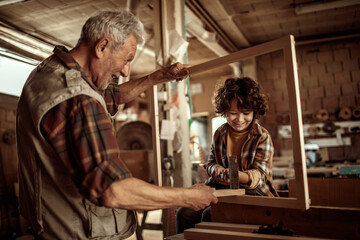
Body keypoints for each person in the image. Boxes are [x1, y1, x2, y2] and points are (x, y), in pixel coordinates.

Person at [16, 9, 217, 239]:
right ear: (102, 46)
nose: (125, 71)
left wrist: (157, 77)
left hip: (50, 226)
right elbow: (113, 190)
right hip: (80, 233)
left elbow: (110, 97)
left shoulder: (49, 72)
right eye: (127, 59)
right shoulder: (78, 100)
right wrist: (186, 197)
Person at [176, 77, 279, 233]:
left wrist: (237, 175)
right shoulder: (220, 133)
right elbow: (210, 163)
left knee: (210, 215)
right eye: (233, 113)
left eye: (246, 113)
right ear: (224, 110)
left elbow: (261, 176)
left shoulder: (262, 136)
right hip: (222, 190)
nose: (239, 119)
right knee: (184, 213)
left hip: (253, 194)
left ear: (254, 112)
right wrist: (217, 170)